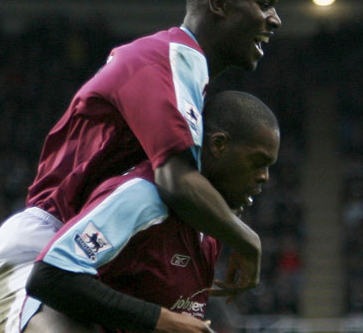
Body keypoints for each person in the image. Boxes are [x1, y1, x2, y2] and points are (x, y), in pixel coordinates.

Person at [0, 0, 281, 333]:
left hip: (101, 250)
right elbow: (175, 180)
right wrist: (248, 243)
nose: (276, 19)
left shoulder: (188, 78)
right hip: (49, 244)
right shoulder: (162, 59)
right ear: (218, 4)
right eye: (264, 3)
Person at [24, 91, 280, 332]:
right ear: (219, 144)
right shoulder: (143, 197)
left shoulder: (211, 229)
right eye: (258, 163)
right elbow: (49, 277)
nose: (264, 178)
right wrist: (161, 319)